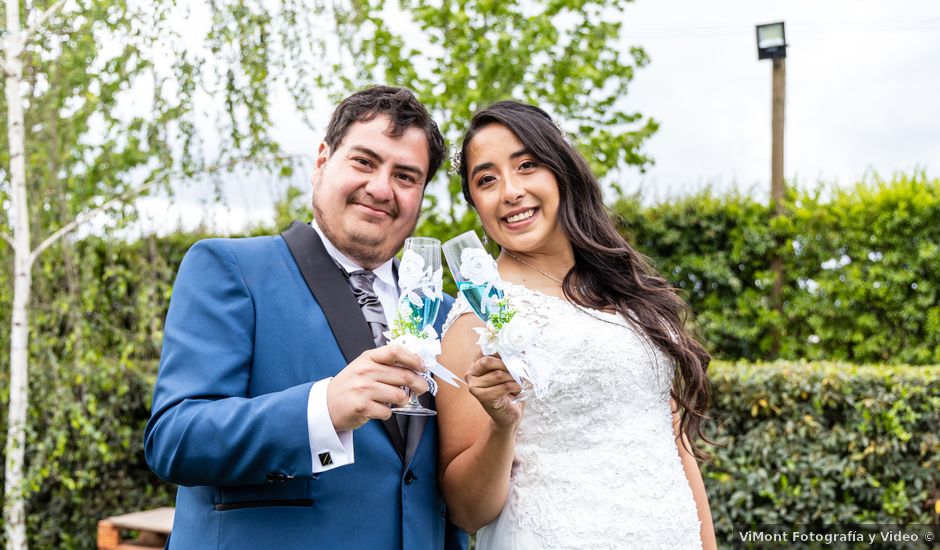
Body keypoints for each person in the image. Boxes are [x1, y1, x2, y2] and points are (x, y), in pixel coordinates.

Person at [144, 86, 466, 550]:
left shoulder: (444, 315)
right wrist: (322, 408)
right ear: (322, 161)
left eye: (406, 176)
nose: (380, 188)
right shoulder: (230, 269)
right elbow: (175, 439)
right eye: (364, 162)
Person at [436, 100, 718, 549]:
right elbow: (467, 512)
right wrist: (501, 425)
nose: (510, 191)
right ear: (476, 204)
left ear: (561, 172)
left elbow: (671, 440)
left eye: (527, 165)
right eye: (486, 179)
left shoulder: (624, 290)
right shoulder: (476, 319)